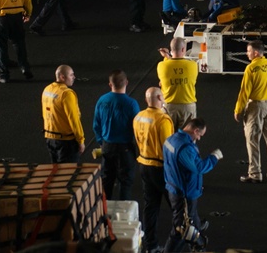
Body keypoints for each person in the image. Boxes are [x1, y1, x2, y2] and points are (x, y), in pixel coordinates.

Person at [163, 118, 221, 252]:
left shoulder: (171, 140)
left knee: (191, 219)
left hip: (174, 187)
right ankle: (197, 244)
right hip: (184, 193)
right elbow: (199, 167)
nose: (199, 138)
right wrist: (214, 157)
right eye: (200, 135)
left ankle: (198, 240)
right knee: (182, 229)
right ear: (195, 130)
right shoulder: (185, 147)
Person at [234, 39, 267, 183]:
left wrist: (238, 110)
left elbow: (244, 93)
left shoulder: (251, 69)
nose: (247, 54)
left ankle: (255, 173)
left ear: (256, 53)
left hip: (257, 106)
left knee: (253, 140)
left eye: (249, 51)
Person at [133, 87, 174, 253]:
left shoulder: (139, 117)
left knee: (150, 207)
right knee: (177, 205)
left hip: (144, 164)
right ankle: (190, 233)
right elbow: (168, 148)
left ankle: (150, 245)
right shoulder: (163, 120)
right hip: (160, 168)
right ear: (159, 97)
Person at [92, 69, 141, 200]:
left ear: (110, 84)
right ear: (126, 82)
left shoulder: (102, 101)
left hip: (107, 146)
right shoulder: (131, 104)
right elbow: (138, 128)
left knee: (106, 182)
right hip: (125, 148)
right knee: (125, 183)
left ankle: (103, 214)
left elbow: (96, 125)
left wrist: (101, 142)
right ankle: (123, 215)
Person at [42, 64, 85, 163]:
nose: (74, 77)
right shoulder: (67, 94)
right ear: (62, 77)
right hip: (66, 142)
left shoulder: (47, 89)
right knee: (69, 173)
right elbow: (74, 119)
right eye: (71, 75)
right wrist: (80, 140)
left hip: (50, 138)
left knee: (57, 173)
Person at [158, 37, 198, 130]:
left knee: (167, 138)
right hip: (187, 107)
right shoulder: (193, 65)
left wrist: (167, 57)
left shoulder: (162, 66)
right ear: (183, 49)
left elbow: (170, 69)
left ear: (172, 50)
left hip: (169, 106)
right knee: (187, 139)